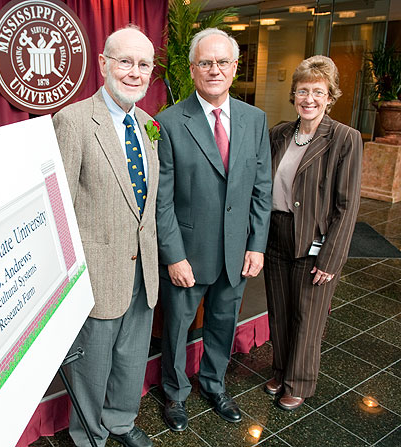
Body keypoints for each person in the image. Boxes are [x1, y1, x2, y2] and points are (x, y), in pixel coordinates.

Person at [155, 28, 272, 430]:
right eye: (206, 62)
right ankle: (173, 393)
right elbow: (162, 199)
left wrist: (256, 245)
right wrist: (173, 255)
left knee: (223, 322)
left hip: (237, 252)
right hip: (188, 253)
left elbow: (262, 187)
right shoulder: (169, 123)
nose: (215, 69)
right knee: (176, 329)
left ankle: (214, 383)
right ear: (192, 69)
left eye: (223, 62)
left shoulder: (254, 119)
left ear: (235, 67)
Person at [52, 26, 158, 447]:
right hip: (97, 270)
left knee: (131, 357)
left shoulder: (150, 125)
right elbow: (59, 207)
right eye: (125, 61)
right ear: (103, 64)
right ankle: (89, 436)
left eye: (143, 64)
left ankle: (120, 421)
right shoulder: (73, 121)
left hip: (143, 268)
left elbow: (148, 203)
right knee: (92, 364)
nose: (134, 72)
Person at [263, 55, 362, 411]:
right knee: (280, 309)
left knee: (308, 314)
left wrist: (331, 257)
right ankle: (281, 368)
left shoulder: (344, 138)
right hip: (276, 233)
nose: (309, 99)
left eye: (318, 92)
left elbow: (347, 205)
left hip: (315, 240)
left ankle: (299, 382)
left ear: (330, 96)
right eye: (302, 91)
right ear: (293, 95)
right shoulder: (280, 133)